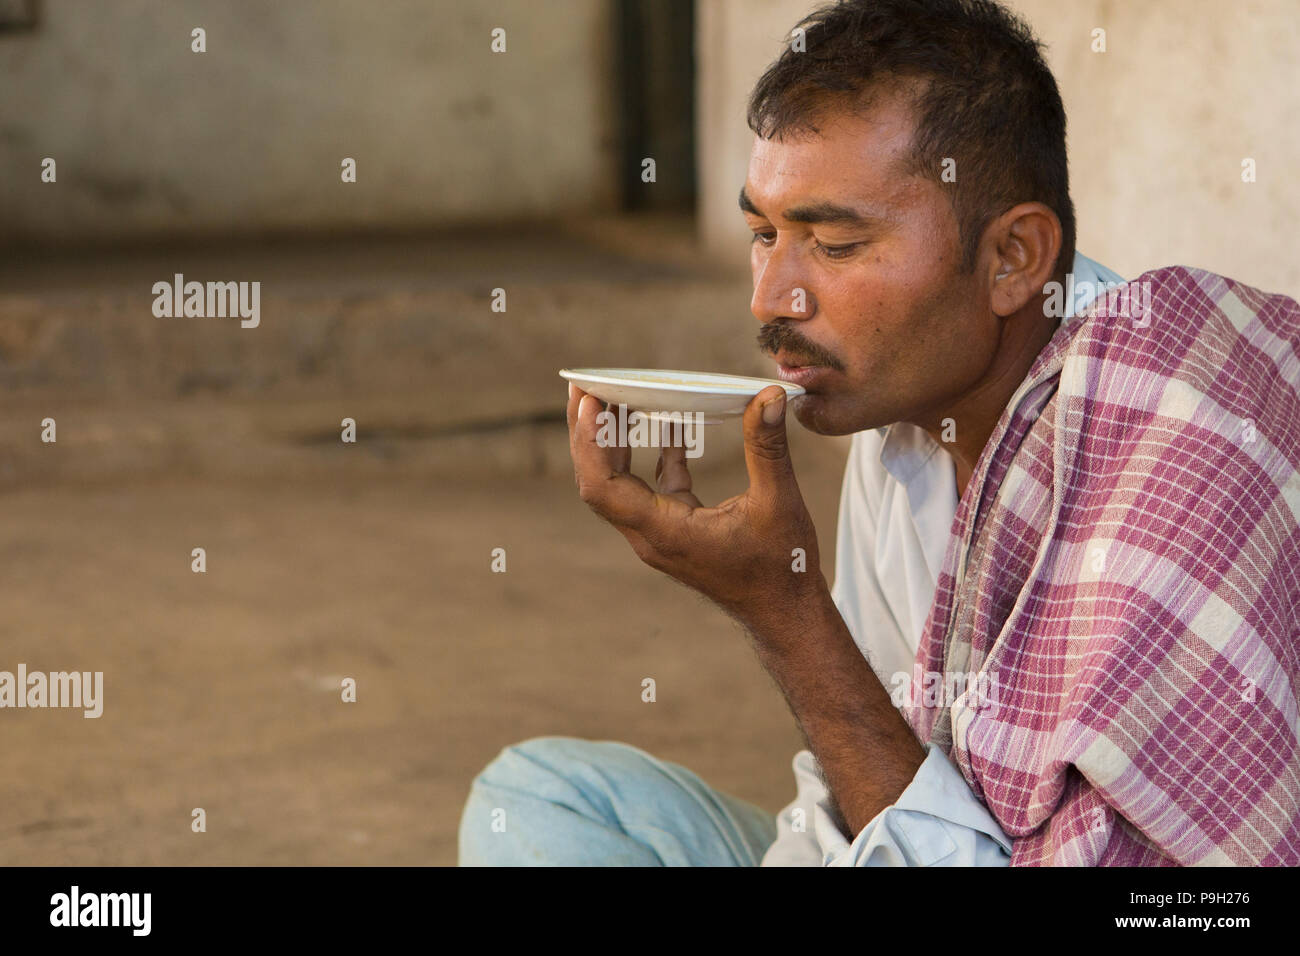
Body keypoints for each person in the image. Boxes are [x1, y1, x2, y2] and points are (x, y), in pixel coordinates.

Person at [459, 0, 1300, 866]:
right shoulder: (907, 409)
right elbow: (859, 782)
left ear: (1013, 258)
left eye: (833, 244)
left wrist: (787, 615)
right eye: (763, 234)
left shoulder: (1170, 456)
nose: (770, 297)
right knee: (537, 796)